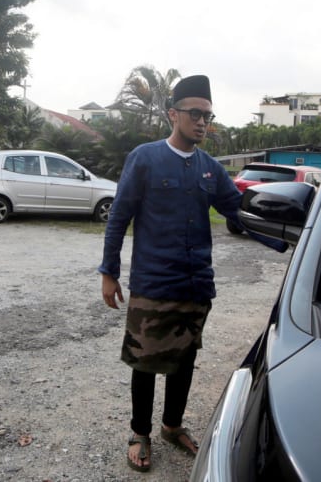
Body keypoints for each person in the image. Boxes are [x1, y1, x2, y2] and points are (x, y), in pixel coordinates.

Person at [97, 75, 286, 472]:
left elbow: (240, 213)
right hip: (154, 282)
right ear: (173, 114)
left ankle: (171, 425)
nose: (203, 122)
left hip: (196, 283)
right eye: (195, 113)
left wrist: (285, 240)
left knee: (184, 358)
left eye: (208, 116)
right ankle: (140, 433)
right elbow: (120, 216)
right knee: (146, 361)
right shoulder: (145, 158)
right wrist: (109, 271)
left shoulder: (210, 169)